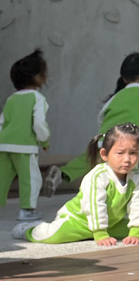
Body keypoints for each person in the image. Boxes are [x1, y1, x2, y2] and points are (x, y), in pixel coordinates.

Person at [11, 123, 139, 246]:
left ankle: (101, 230)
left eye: (133, 153)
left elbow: (136, 205)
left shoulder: (135, 178)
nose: (127, 159)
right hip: (79, 221)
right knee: (54, 236)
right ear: (104, 154)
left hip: (111, 224)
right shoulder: (98, 176)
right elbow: (95, 205)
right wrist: (100, 233)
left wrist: (135, 232)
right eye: (120, 153)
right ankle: (29, 229)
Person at [47, 53, 139, 193]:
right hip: (131, 146)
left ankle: (62, 174)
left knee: (89, 158)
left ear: (124, 78)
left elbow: (101, 118)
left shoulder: (115, 98)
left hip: (104, 142)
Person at [0, 48, 49, 222]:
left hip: (5, 144)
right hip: (26, 146)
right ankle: (27, 210)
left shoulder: (11, 99)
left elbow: (1, 122)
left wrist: (4, 139)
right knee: (30, 178)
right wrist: (44, 140)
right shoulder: (37, 98)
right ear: (38, 77)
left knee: (0, 177)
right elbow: (39, 124)